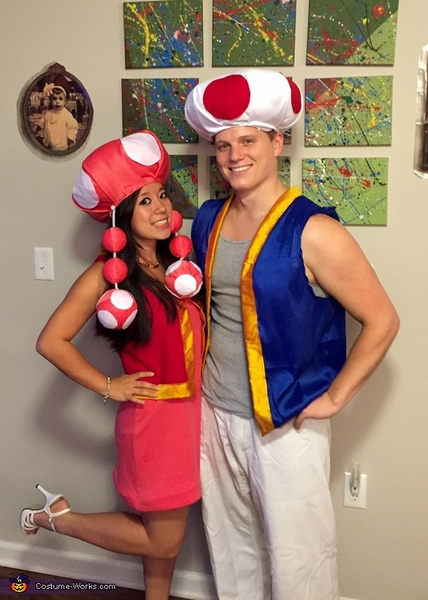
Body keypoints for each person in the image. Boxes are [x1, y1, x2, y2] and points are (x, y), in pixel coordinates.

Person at [184, 69, 400, 600]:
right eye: (223, 144)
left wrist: (334, 396)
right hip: (214, 411)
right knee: (231, 547)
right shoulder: (207, 220)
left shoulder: (315, 230)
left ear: (278, 141)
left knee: (298, 557)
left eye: (248, 140)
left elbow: (383, 319)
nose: (234, 155)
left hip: (283, 418)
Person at [20, 130, 204, 600]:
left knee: (162, 540)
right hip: (154, 421)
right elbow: (51, 341)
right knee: (164, 538)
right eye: (145, 202)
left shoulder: (179, 264)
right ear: (121, 215)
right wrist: (109, 385)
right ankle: (59, 516)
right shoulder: (107, 273)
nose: (162, 207)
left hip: (191, 416)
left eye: (162, 195)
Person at [38, 84, 78, 151]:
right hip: (50, 146)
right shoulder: (48, 114)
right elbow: (42, 123)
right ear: (50, 100)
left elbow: (72, 127)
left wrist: (70, 140)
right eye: (54, 98)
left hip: (62, 147)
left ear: (64, 101)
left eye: (60, 99)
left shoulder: (66, 115)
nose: (57, 102)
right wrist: (37, 129)